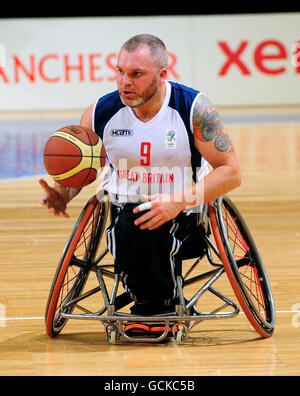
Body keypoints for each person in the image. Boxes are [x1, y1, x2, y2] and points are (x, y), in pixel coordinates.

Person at [40, 34, 241, 337]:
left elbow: (231, 172)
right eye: (120, 71)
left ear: (161, 76)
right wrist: (62, 193)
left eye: (136, 74)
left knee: (143, 221)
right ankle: (151, 304)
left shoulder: (193, 109)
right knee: (133, 221)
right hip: (123, 215)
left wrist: (178, 202)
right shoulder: (100, 112)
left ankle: (155, 307)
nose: (124, 82)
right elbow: (87, 168)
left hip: (185, 216)